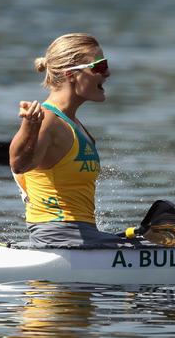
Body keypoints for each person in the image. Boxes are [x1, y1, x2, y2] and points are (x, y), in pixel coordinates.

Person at [9, 33, 126, 247]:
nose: (107, 73)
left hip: (82, 236)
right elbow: (19, 164)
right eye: (99, 66)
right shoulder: (48, 120)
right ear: (72, 74)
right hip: (57, 237)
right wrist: (29, 127)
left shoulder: (75, 125)